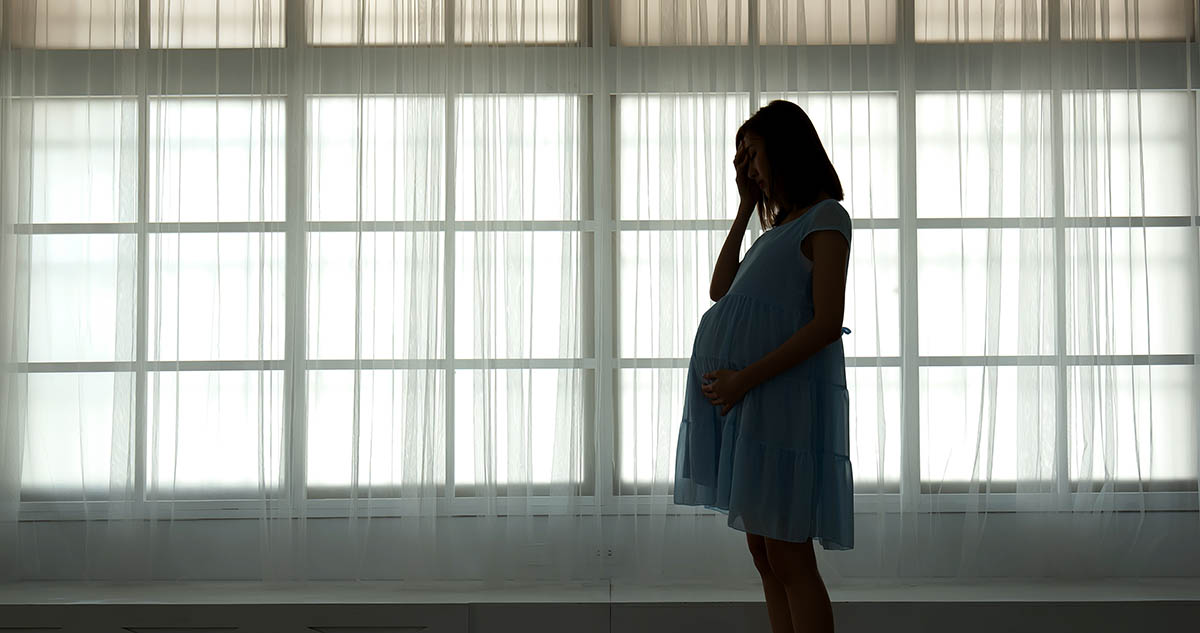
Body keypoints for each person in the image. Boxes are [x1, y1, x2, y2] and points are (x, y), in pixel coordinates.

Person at [673, 100, 853, 633]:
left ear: (783, 147)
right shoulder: (776, 229)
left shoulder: (827, 218)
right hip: (751, 404)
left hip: (779, 400)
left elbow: (825, 324)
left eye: (751, 154)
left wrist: (742, 380)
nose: (746, 167)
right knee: (765, 557)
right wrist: (745, 206)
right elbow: (719, 289)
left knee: (790, 556)